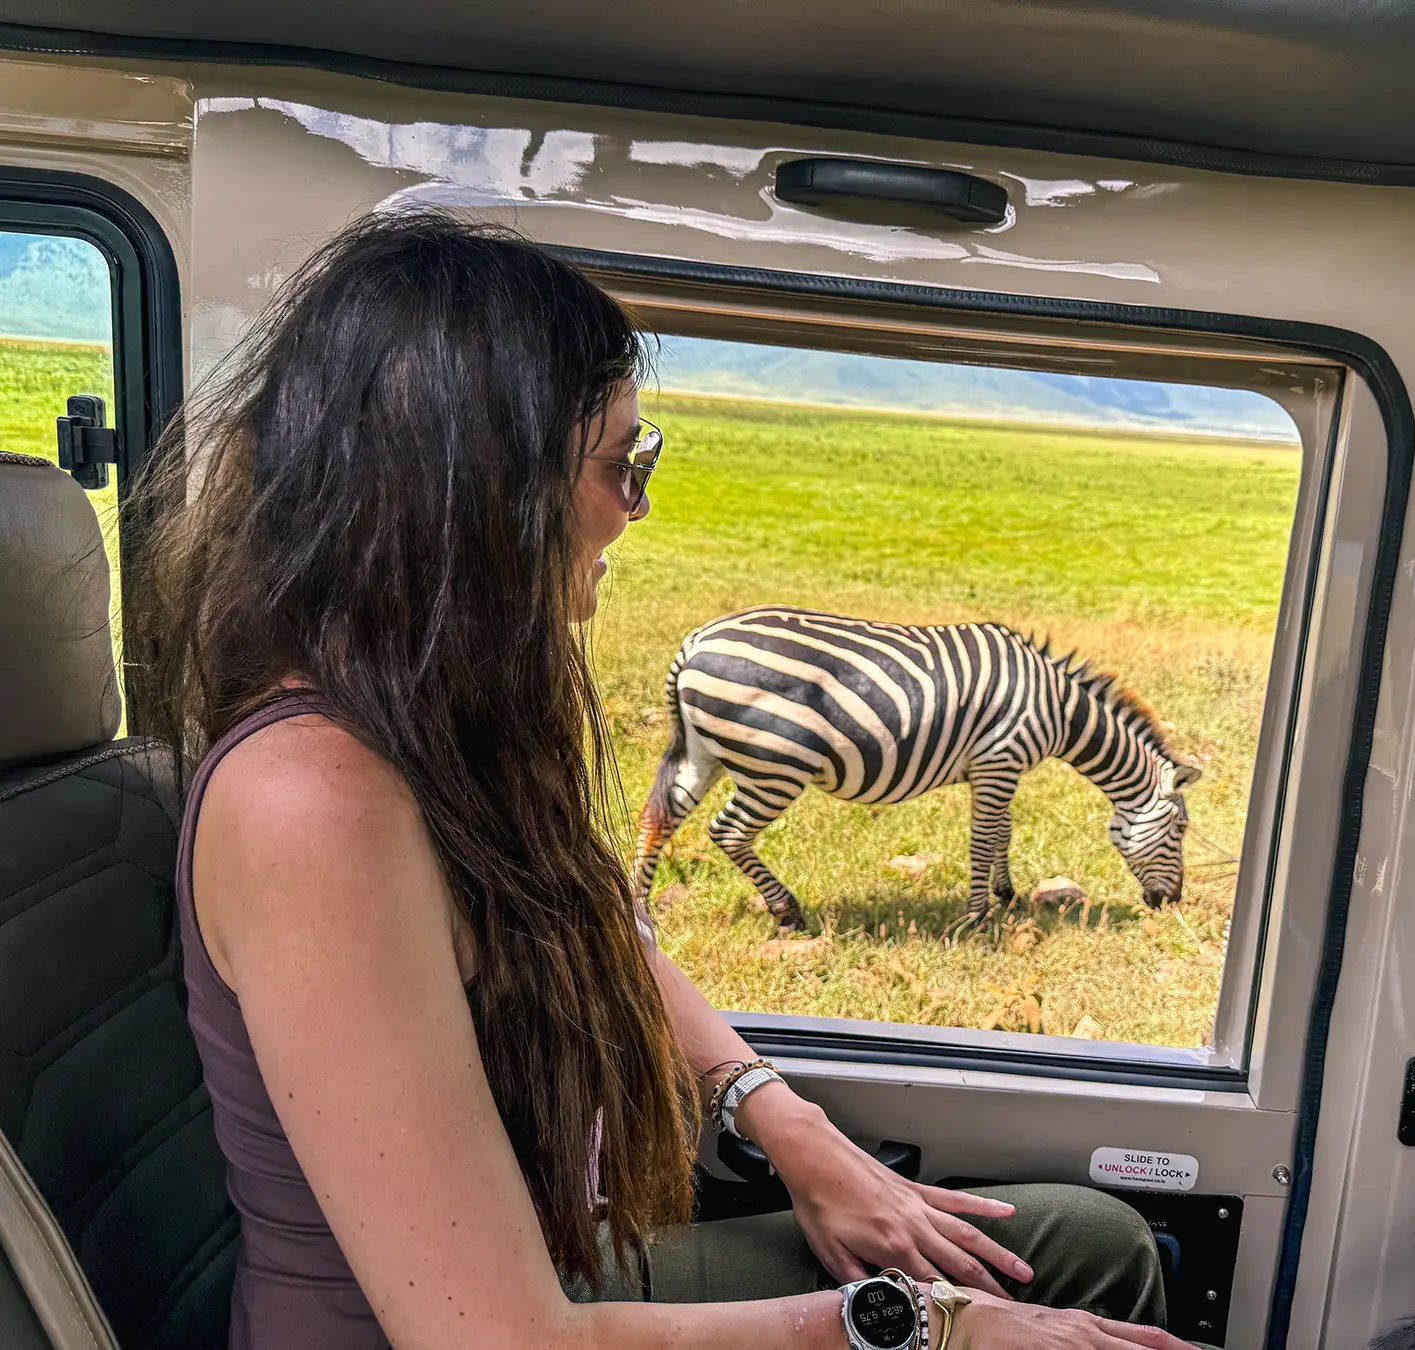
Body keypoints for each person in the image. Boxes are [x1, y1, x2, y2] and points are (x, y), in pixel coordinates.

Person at [124, 211, 1185, 1350]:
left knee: (1088, 1244)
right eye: (621, 464)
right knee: (1040, 1287)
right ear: (480, 487)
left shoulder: (428, 731)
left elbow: (596, 927)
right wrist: (936, 1329)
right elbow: (501, 1340)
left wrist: (786, 1121)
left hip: (548, 1268)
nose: (636, 507)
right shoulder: (313, 801)